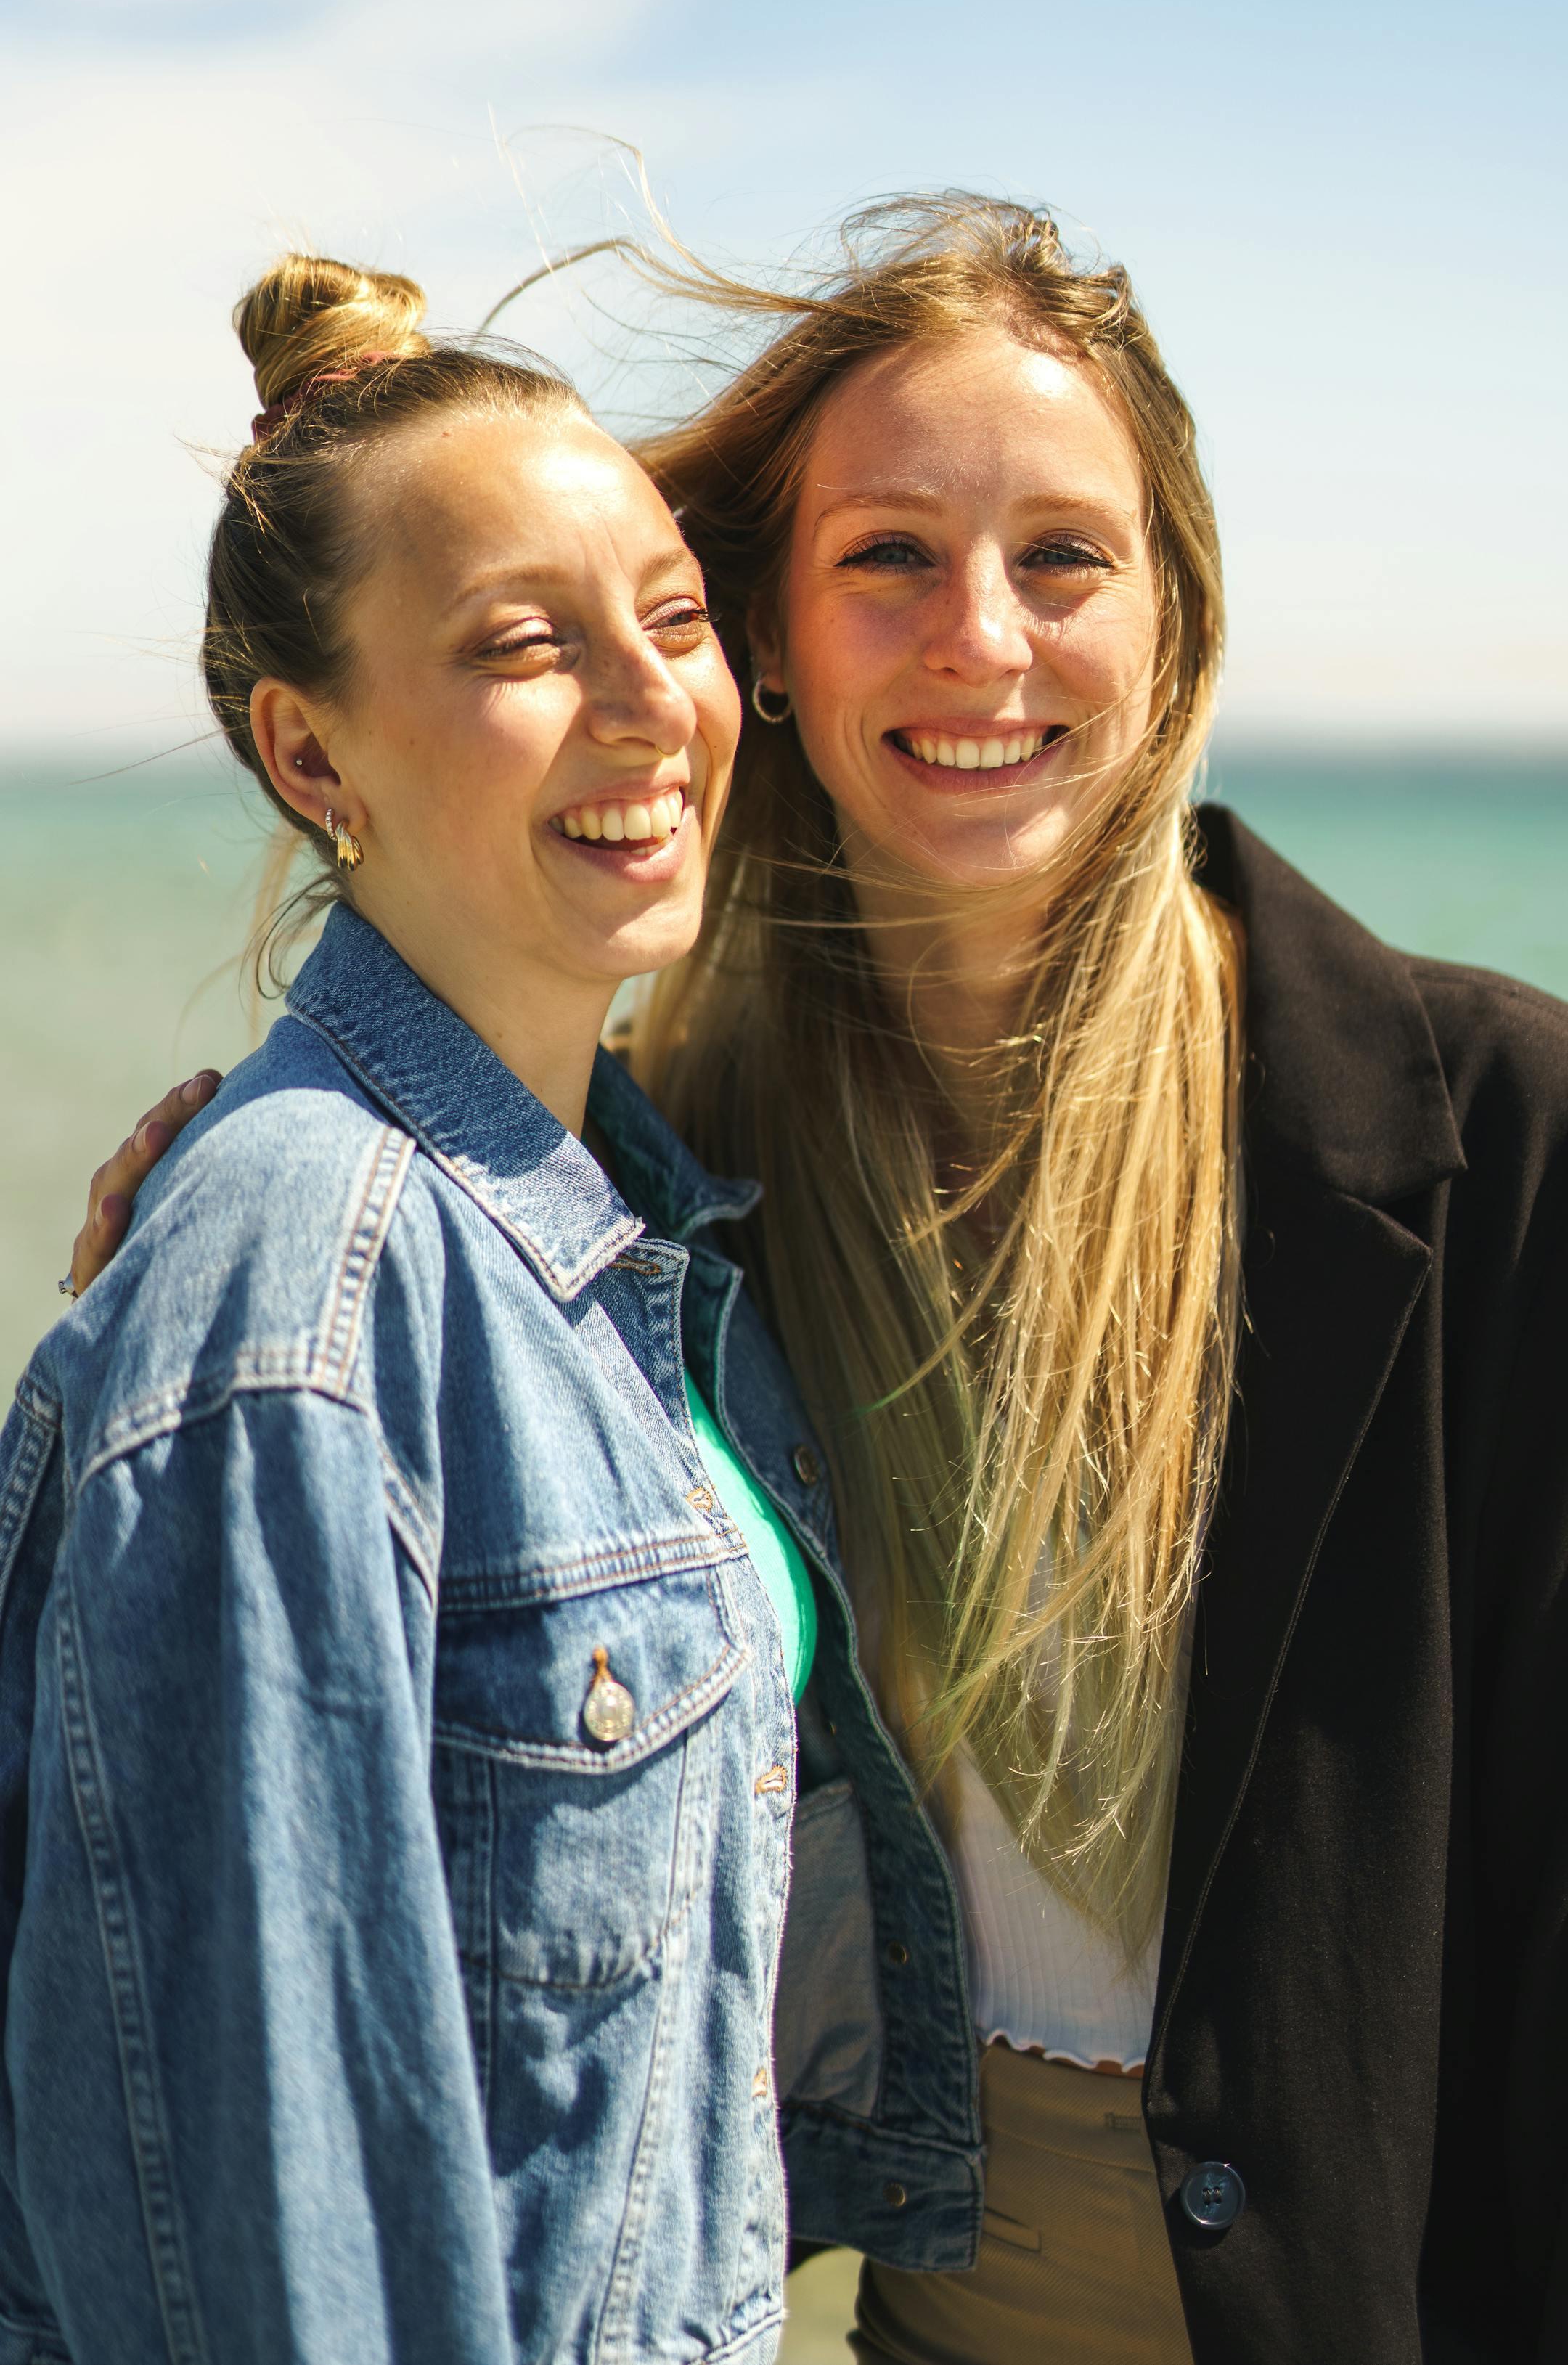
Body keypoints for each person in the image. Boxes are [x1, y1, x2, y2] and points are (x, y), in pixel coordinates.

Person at [63, 201, 1568, 2364]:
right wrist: (214, 1266)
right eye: (887, 558)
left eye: (1065, 556)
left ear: (1175, 619)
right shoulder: (646, 1183)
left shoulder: (1497, 1134)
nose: (982, 638)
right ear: (767, 634)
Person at [0, 252, 830, 2364]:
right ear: (307, 748)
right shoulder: (295, 1284)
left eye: (674, 613)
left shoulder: (609, 1229)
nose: (653, 703)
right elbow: (256, 2263)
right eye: (525, 646)